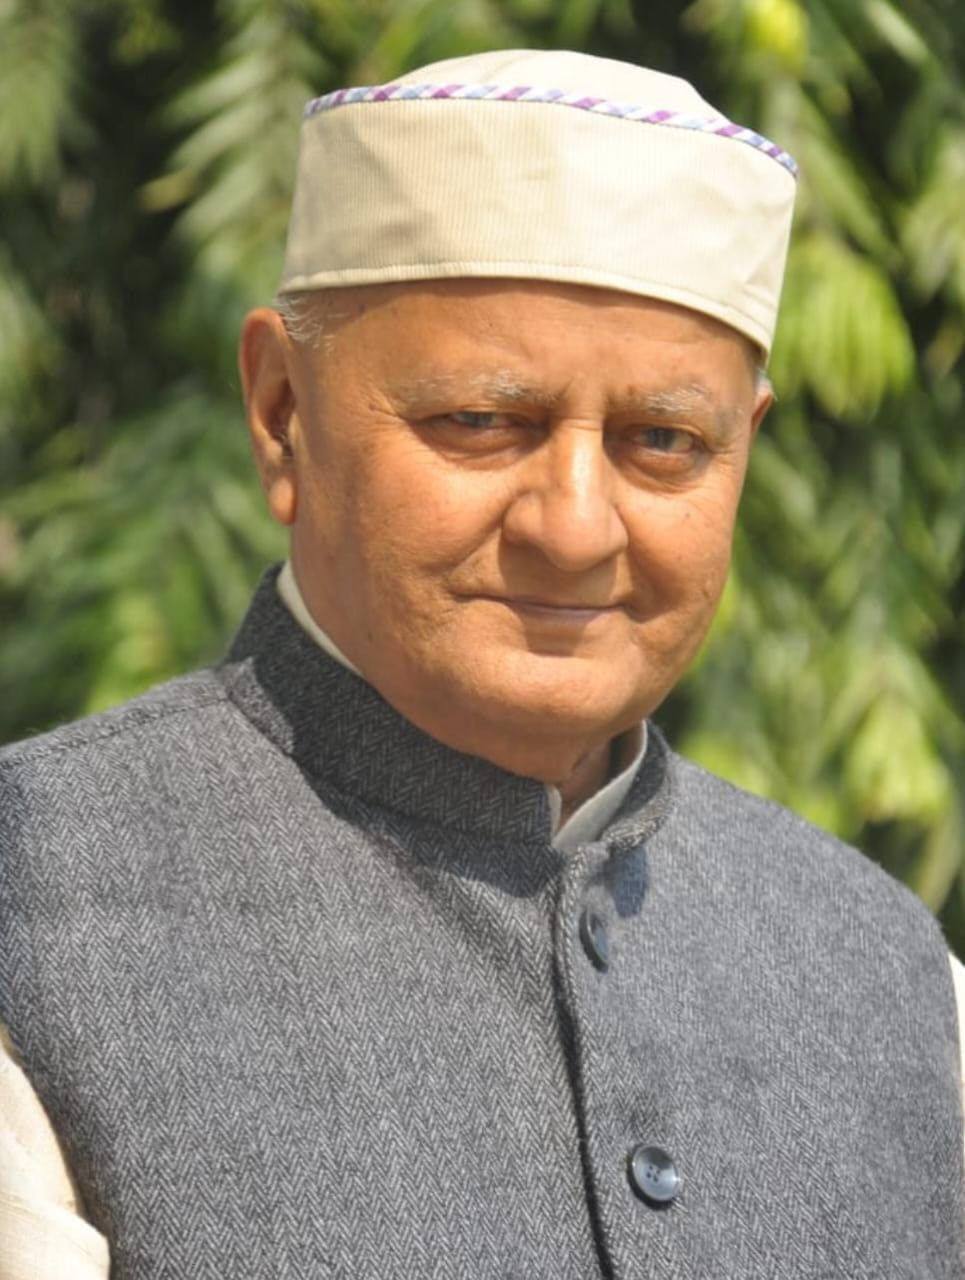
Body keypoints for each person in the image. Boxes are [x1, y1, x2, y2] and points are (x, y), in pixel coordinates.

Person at [0, 47, 962, 1280]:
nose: (574, 526)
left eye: (662, 439)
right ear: (282, 412)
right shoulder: (37, 908)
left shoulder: (892, 979)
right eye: (479, 421)